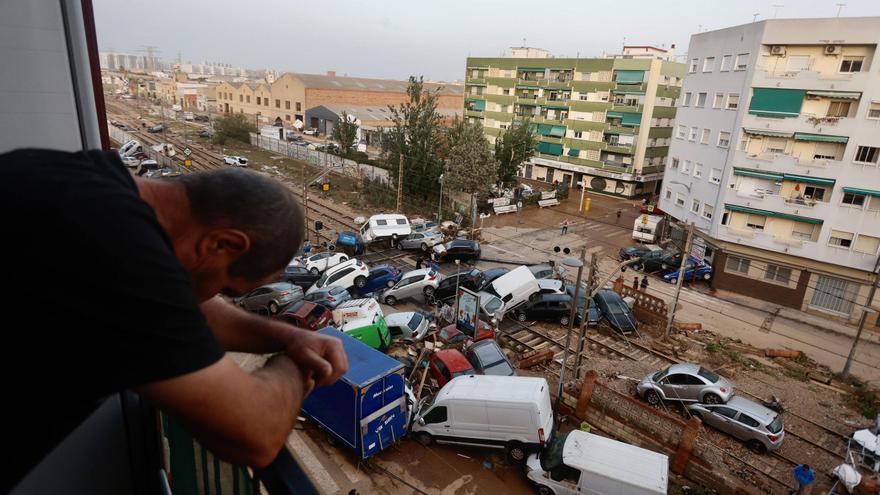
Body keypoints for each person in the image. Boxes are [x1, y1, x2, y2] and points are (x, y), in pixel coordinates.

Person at [1, 149, 348, 491]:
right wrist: (296, 364)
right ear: (222, 244)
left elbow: (184, 308)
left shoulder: (80, 179)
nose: (219, 296)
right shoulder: (120, 252)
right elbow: (256, 434)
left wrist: (290, 337)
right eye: (226, 287)